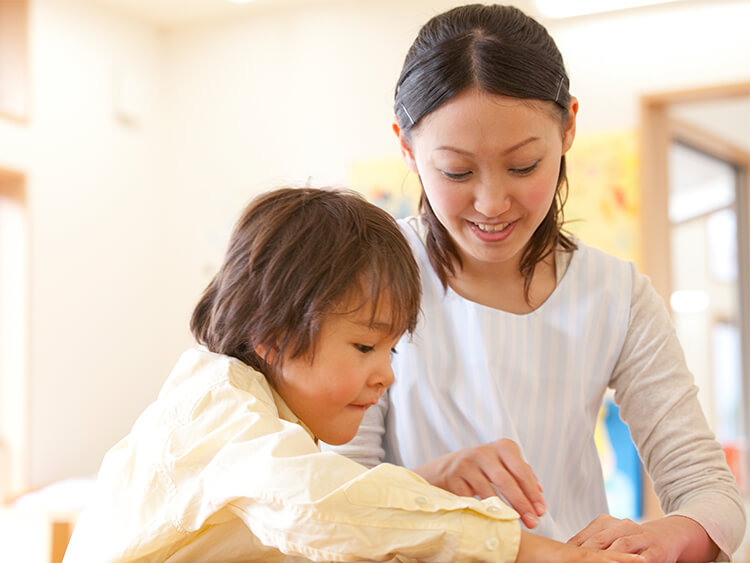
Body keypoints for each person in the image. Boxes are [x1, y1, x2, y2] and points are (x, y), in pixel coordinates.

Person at [328, 4, 746, 562]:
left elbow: (710, 492)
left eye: (523, 165)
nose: (491, 203)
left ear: (569, 126)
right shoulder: (369, 275)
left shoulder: (614, 294)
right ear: (406, 145)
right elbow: (327, 500)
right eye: (456, 172)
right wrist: (435, 479)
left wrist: (668, 537)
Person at [62, 187, 644, 562]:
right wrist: (526, 549)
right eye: (366, 344)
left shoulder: (266, 419)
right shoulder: (216, 407)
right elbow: (316, 505)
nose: (386, 375)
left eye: (392, 350)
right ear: (273, 330)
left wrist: (431, 483)